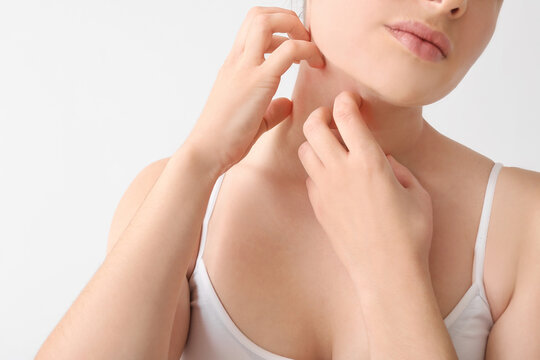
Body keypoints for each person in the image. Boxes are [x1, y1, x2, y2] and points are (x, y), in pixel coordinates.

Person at [36, 1, 540, 359]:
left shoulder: (525, 225)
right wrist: (197, 162)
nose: (451, 3)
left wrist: (391, 268)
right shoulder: (179, 198)